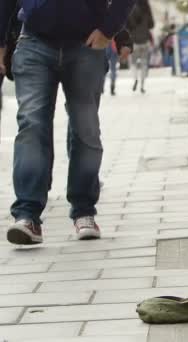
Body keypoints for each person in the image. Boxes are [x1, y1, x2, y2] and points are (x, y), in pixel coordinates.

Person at [0, 0, 136, 245]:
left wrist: (109, 29)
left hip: (87, 42)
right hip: (34, 40)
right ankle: (27, 215)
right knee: (32, 125)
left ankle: (84, 212)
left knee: (86, 129)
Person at [127, 0, 154, 94]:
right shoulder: (146, 7)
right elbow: (151, 24)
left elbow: (126, 25)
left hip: (134, 41)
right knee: (144, 64)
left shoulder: (130, 7)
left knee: (133, 63)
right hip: (145, 40)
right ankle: (142, 86)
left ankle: (135, 78)